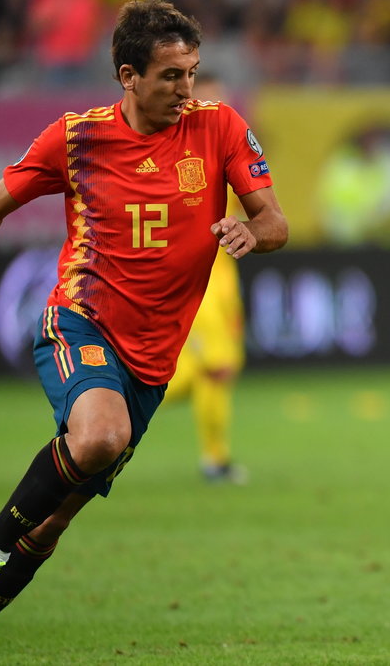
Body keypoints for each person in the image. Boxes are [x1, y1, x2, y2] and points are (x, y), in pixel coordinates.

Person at [0, 0, 287, 664]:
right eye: (170, 75)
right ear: (128, 74)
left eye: (191, 73)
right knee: (99, 435)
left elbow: (276, 221)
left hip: (150, 364)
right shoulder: (77, 137)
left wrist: (250, 231)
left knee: (54, 522)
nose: (185, 89)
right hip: (78, 321)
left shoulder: (220, 127)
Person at [164, 72, 249, 484]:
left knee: (214, 369)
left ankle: (216, 457)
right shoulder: (179, 151)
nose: (220, 111)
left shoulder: (229, 145)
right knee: (213, 367)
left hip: (224, 271)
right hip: (199, 275)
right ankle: (215, 461)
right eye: (211, 102)